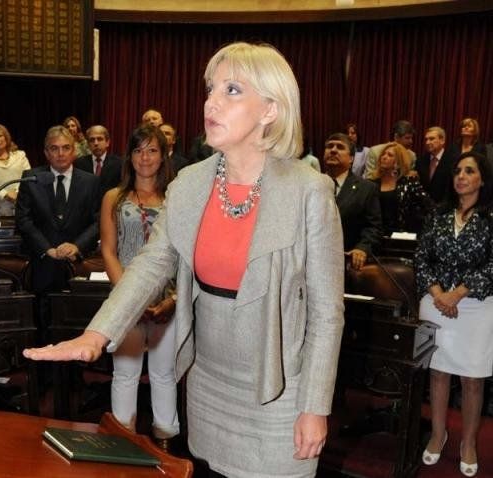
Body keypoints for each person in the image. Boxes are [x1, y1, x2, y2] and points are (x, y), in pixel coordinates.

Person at [24, 42, 345, 478]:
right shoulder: (190, 184)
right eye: (211, 89)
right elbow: (151, 264)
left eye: (232, 90)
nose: (211, 102)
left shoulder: (309, 190)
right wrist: (98, 333)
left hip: (280, 388)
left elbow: (327, 314)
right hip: (207, 381)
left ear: (271, 109)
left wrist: (315, 406)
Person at [100, 124, 178, 448]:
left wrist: (173, 299)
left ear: (163, 156)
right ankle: (123, 442)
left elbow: (184, 254)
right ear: (129, 157)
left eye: (152, 150)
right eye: (138, 150)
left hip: (166, 300)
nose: (145, 157)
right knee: (125, 372)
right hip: (125, 296)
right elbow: (108, 251)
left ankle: (166, 442)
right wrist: (128, 298)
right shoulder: (114, 197)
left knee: (164, 373)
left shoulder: (176, 198)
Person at [415, 151, 493, 478]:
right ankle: (437, 435)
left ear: (482, 180)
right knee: (436, 373)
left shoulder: (490, 217)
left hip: (476, 305)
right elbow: (421, 257)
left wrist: (458, 293)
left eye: (469, 171)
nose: (461, 176)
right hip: (433, 301)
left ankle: (469, 442)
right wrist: (439, 294)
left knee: (473, 379)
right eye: (458, 170)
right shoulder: (437, 214)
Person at [15, 126, 101, 338]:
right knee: (43, 328)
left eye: (66, 147)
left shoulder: (90, 181)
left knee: (77, 326)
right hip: (42, 264)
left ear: (74, 151)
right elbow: (23, 220)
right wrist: (47, 249)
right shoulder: (31, 178)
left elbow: (99, 222)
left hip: (77, 264)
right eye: (54, 148)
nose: (61, 153)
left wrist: (77, 246)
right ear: (46, 153)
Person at [323, 132, 383, 270]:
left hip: (347, 262)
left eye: (340, 147)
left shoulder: (366, 188)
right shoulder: (311, 185)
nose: (333, 150)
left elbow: (374, 228)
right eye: (329, 146)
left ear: (351, 158)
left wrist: (362, 248)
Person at [369, 142, 433, 234]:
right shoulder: (372, 183)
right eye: (383, 154)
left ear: (398, 162)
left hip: (401, 235)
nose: (384, 157)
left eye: (390, 155)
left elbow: (428, 206)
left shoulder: (408, 182)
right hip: (375, 234)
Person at [0, 124, 31, 216]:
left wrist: (16, 193)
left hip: (21, 205)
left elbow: (28, 177)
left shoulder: (20, 155)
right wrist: (5, 194)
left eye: (0, 135)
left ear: (6, 137)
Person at [75, 125, 122, 197]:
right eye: (92, 140)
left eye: (99, 139)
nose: (96, 143)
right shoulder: (79, 164)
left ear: (107, 142)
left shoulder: (119, 164)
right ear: (88, 144)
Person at [417, 126, 455, 203]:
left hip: (444, 206)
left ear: (442, 140)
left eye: (431, 139)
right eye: (426, 139)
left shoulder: (453, 161)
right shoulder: (420, 161)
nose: (427, 142)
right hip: (423, 206)